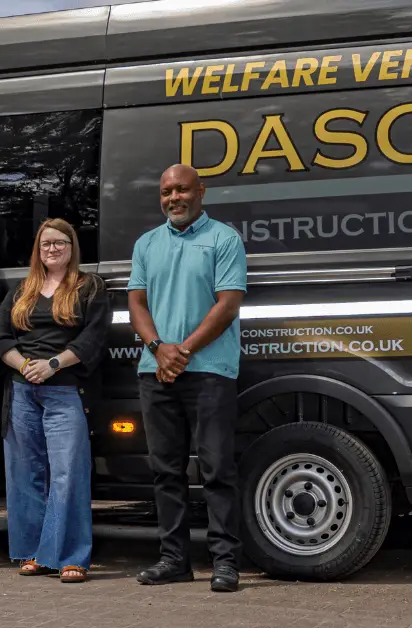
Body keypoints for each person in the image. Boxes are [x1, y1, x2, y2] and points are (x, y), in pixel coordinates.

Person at [128, 164, 247, 593]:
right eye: (166, 192)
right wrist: (160, 347)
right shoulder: (147, 243)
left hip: (210, 372)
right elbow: (136, 303)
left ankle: (225, 562)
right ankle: (175, 560)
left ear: (201, 192)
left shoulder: (224, 239)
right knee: (166, 471)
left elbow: (228, 303)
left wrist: (184, 350)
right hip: (155, 371)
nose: (173, 198)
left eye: (181, 190)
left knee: (216, 469)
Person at [0, 218, 110, 584]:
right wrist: (25, 365)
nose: (52, 249)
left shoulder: (90, 287)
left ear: (72, 248)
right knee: (25, 476)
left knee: (68, 474)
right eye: (45, 244)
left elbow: (93, 339)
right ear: (37, 250)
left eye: (59, 243)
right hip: (22, 389)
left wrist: (53, 364)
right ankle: (35, 553)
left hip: (65, 389)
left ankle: (71, 557)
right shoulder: (21, 290)